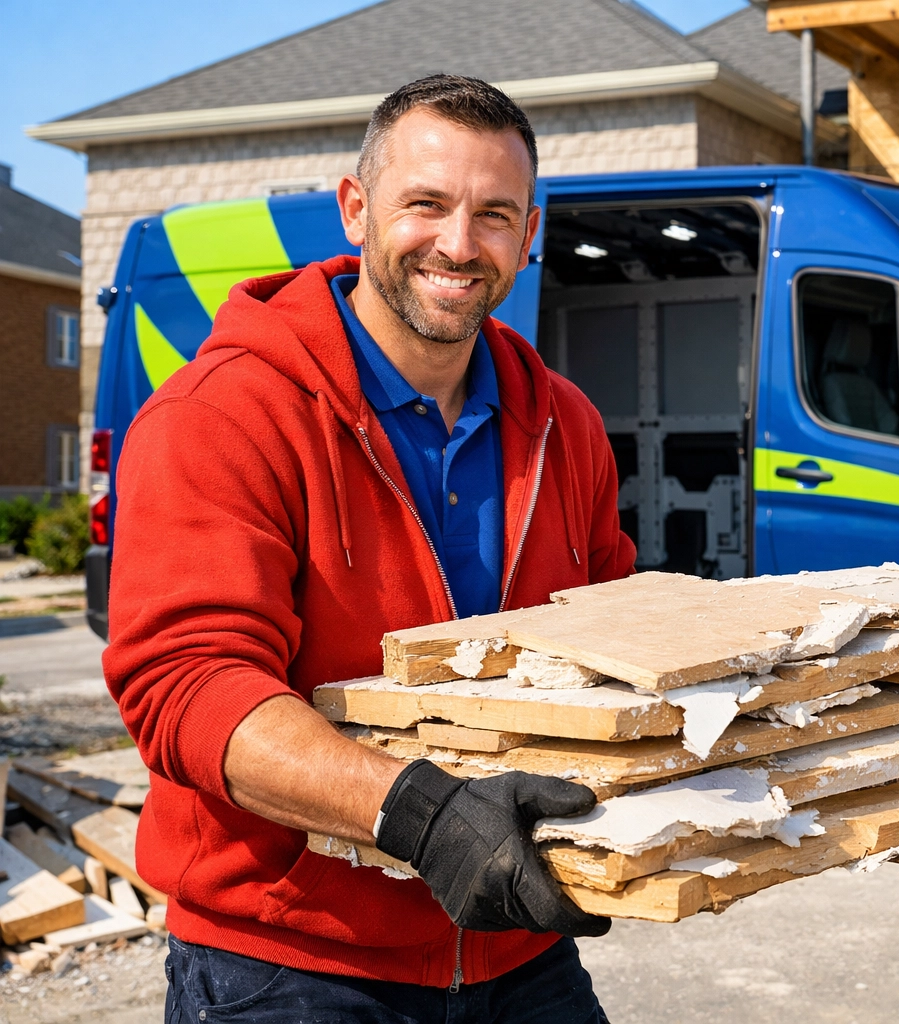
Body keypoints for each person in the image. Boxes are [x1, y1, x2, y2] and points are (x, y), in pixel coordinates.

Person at [104, 75, 636, 1022]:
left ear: (531, 234)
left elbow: (619, 655)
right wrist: (424, 815)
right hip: (292, 961)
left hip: (519, 949)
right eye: (424, 204)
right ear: (356, 209)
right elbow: (189, 686)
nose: (459, 244)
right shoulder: (221, 416)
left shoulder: (571, 426)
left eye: (495, 215)